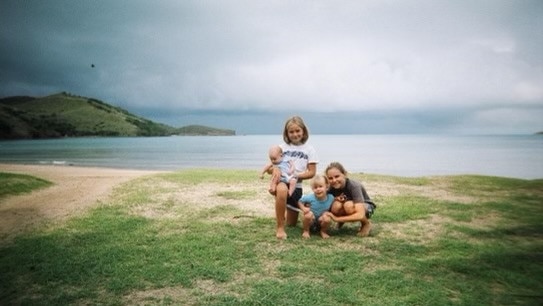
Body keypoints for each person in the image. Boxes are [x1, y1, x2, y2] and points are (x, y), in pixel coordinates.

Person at [270, 116, 318, 239]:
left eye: (298, 131)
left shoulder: (309, 149)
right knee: (281, 190)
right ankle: (280, 228)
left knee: (291, 224)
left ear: (303, 131)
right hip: (282, 182)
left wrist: (297, 175)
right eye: (291, 132)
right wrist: (274, 169)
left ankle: (283, 210)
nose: (295, 134)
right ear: (286, 133)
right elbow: (272, 167)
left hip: (296, 186)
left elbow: (312, 172)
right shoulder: (282, 148)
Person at [324, 162, 376, 237]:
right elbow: (321, 200)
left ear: (344, 174)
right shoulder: (331, 187)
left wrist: (336, 219)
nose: (334, 180)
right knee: (336, 205)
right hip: (346, 205)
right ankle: (342, 222)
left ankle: (366, 224)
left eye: (337, 176)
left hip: (365, 207)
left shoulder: (354, 186)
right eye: (330, 178)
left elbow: (360, 214)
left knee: (348, 205)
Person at [298, 175, 334, 239]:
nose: (318, 189)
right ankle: (306, 230)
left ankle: (323, 231)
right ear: (312, 189)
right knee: (308, 215)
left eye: (320, 186)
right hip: (311, 220)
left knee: (327, 218)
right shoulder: (310, 197)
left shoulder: (331, 197)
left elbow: (335, 204)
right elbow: (300, 201)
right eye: (315, 187)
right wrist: (303, 208)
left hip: (321, 220)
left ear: (327, 187)